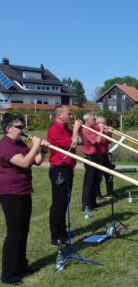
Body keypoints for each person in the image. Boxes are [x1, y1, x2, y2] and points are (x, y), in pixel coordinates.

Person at [0, 114, 48, 285]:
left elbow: (36, 161)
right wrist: (35, 144)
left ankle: (21, 265)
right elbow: (24, 163)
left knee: (23, 230)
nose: (23, 130)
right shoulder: (5, 146)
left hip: (23, 190)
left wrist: (42, 149)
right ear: (9, 129)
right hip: (11, 193)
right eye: (20, 127)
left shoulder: (19, 143)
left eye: (23, 127)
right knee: (14, 233)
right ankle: (9, 275)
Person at [47, 105, 83, 248]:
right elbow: (72, 144)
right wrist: (75, 129)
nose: (71, 116)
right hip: (59, 170)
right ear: (59, 115)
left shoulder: (67, 129)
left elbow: (80, 141)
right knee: (59, 203)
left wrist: (79, 129)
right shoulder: (54, 130)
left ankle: (62, 231)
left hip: (68, 168)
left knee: (65, 201)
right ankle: (56, 235)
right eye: (69, 114)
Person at [80, 112, 103, 211]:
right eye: (93, 119)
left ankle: (93, 202)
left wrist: (104, 128)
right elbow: (97, 140)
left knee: (95, 180)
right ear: (87, 120)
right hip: (89, 157)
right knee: (89, 182)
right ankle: (86, 204)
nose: (95, 121)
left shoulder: (92, 128)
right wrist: (102, 129)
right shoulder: (85, 130)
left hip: (95, 156)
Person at [94, 116, 113, 199]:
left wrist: (110, 133)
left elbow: (109, 141)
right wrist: (103, 131)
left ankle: (110, 192)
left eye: (106, 123)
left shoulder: (104, 131)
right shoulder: (95, 131)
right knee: (99, 176)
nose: (106, 125)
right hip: (98, 155)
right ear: (98, 124)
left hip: (105, 154)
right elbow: (101, 140)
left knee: (110, 174)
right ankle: (98, 194)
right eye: (103, 123)